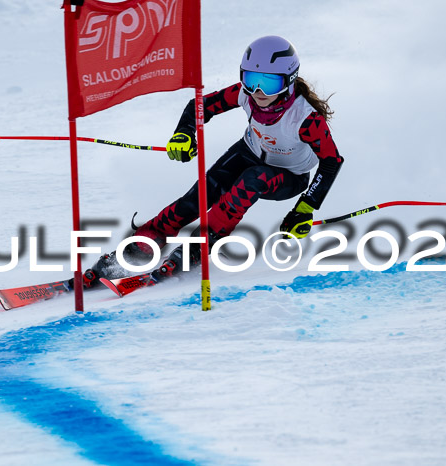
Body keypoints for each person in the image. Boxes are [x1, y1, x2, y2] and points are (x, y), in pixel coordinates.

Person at [72, 35, 344, 289]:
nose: (258, 91)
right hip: (249, 151)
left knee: (253, 180)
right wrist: (184, 133)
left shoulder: (306, 119)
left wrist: (305, 208)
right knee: (197, 198)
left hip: (289, 175)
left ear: (289, 81)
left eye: (269, 82)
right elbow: (200, 106)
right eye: (251, 80)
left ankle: (198, 246)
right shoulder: (243, 94)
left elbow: (331, 161)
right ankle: (138, 248)